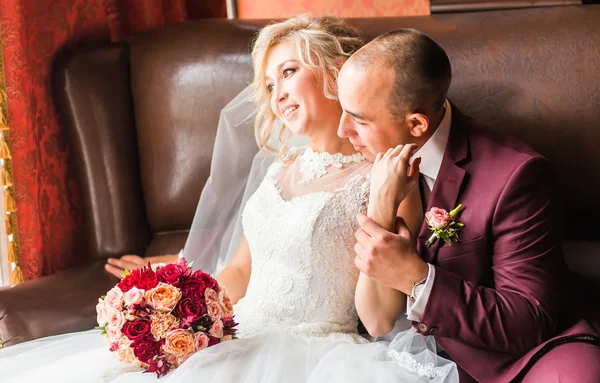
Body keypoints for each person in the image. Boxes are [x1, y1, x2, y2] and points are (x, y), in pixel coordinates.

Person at [0, 16, 458, 383]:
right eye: (269, 84)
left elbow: (378, 316)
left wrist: (382, 204)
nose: (276, 94)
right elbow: (239, 271)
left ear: (337, 74)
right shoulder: (279, 168)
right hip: (237, 335)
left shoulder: (387, 177)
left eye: (289, 72)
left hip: (311, 352)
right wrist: (178, 310)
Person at [336, 29, 600, 382]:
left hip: (511, 359)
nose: (342, 131)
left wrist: (417, 280)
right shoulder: (359, 159)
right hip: (397, 354)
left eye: (358, 119)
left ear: (416, 124)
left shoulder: (516, 176)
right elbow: (376, 321)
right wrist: (382, 203)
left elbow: (528, 320)